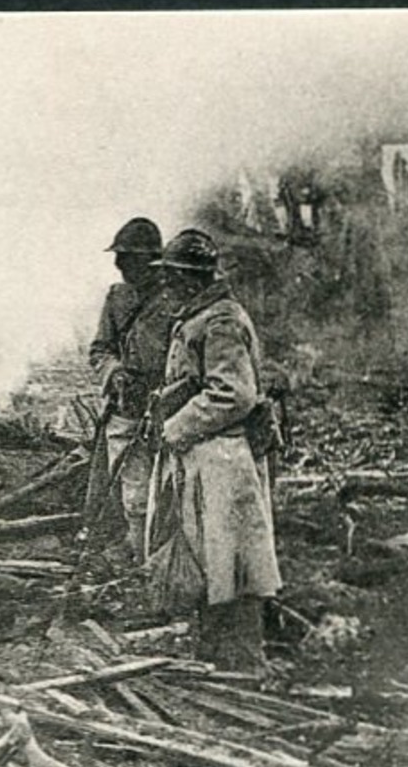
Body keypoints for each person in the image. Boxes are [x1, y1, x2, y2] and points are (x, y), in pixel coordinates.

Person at [149, 228, 282, 673]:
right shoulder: (198, 317)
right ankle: (217, 658)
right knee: (212, 561)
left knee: (235, 563)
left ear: (194, 278)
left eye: (173, 277)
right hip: (206, 458)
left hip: (226, 458)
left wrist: (175, 426)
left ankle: (244, 664)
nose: (166, 287)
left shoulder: (220, 321)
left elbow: (233, 394)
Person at [87, 216, 173, 559]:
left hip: (170, 408)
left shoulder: (175, 300)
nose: (119, 265)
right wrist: (114, 371)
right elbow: (99, 349)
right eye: (119, 257)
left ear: (152, 260)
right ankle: (140, 556)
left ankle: (166, 557)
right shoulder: (117, 298)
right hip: (126, 407)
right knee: (133, 492)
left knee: (170, 486)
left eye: (128, 257)